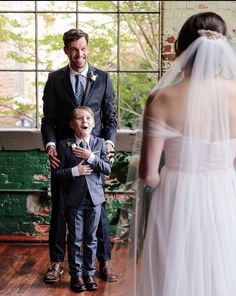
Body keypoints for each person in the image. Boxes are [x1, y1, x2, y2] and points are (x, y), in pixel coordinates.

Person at [105, 11, 236, 296]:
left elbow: (149, 176)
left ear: (181, 50)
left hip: (177, 197)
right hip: (225, 193)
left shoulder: (161, 98)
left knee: (175, 270)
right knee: (220, 267)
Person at [41, 28, 118, 284]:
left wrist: (108, 144)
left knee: (98, 210)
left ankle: (104, 262)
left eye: (83, 48)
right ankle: (56, 262)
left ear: (88, 48)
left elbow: (110, 119)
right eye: (74, 49)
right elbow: (49, 120)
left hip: (94, 155)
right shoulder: (54, 80)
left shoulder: (103, 78)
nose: (79, 54)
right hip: (63, 158)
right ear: (66, 51)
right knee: (60, 211)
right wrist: (51, 145)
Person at [52, 106, 112, 292]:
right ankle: (76, 275)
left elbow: (108, 169)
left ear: (93, 123)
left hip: (95, 199)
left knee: (91, 238)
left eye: (88, 118)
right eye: (79, 118)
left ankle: (89, 273)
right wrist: (74, 171)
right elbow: (57, 174)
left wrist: (91, 157)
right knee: (76, 239)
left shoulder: (100, 143)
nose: (84, 121)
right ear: (72, 124)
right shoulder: (64, 145)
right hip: (74, 200)